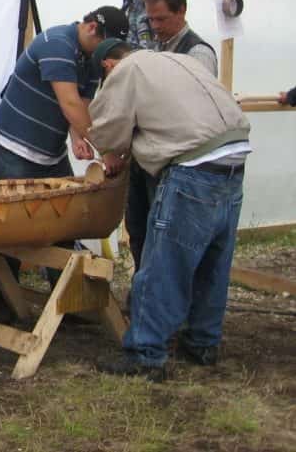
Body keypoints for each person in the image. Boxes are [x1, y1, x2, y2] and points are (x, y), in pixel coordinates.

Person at [88, 39, 250, 381]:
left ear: (108, 66)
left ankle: (146, 354)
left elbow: (110, 126)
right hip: (233, 158)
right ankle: (202, 343)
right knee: (212, 262)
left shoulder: (127, 70)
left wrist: (110, 152)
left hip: (194, 165)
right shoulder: (177, 61)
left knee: (164, 263)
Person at [0, 6, 129, 323]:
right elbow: (67, 101)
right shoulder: (56, 44)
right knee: (10, 225)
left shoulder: (92, 58)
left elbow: (83, 105)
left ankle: (65, 302)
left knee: (66, 223)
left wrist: (77, 138)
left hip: (50, 151)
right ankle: (1, 303)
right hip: (15, 146)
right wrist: (105, 152)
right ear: (91, 27)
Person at [127, 0, 218, 277]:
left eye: (162, 19)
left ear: (181, 11)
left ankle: (168, 305)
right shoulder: (154, 47)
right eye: (151, 19)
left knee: (166, 235)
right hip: (145, 159)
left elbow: (191, 110)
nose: (155, 26)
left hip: (176, 164)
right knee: (139, 228)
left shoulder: (197, 53)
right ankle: (145, 293)